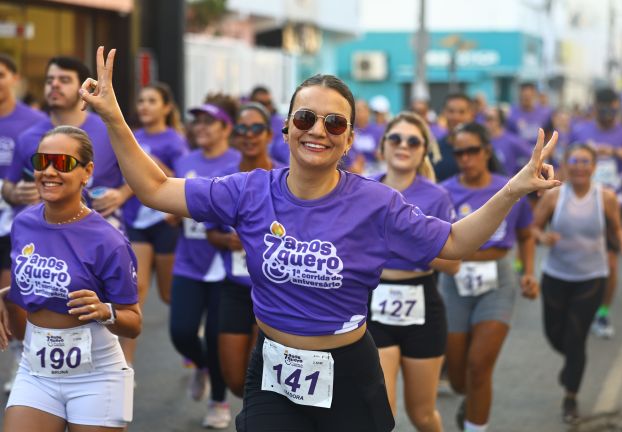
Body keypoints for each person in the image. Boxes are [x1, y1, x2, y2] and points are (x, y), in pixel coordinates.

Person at [79, 47, 560, 432]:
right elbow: (157, 189)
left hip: (348, 371)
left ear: (349, 140)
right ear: (286, 128)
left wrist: (513, 189)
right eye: (306, 119)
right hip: (273, 368)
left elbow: (454, 243)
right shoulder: (249, 190)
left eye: (335, 123)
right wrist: (114, 118)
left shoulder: (376, 203)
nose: (318, 131)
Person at [0, 125, 141, 431]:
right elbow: (44, 285)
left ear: (86, 172)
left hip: (97, 376)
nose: (49, 171)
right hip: (36, 371)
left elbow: (133, 322)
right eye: (41, 162)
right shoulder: (23, 224)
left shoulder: (109, 241)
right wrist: (5, 294)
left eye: (62, 163)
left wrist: (106, 311)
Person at [439, 123, 538, 432]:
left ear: (486, 152)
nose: (466, 158)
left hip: (498, 281)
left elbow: (526, 234)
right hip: (454, 282)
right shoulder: (443, 191)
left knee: (479, 367)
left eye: (472, 151)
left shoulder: (509, 187)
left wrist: (529, 272)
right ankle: (471, 404)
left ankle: (474, 425)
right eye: (459, 152)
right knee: (457, 378)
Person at [367, 111, 458, 432]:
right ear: (382, 146)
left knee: (422, 415)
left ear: (423, 151)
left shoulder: (436, 196)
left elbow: (453, 263)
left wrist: (404, 243)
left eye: (412, 141)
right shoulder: (364, 189)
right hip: (373, 306)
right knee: (383, 413)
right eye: (395, 138)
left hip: (422, 305)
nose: (402, 145)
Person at [532, 143, 622, 423]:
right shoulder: (554, 196)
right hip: (556, 275)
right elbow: (534, 226)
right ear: (566, 164)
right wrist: (543, 238)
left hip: (591, 277)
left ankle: (570, 397)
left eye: (585, 161)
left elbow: (615, 227)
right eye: (574, 161)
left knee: (576, 337)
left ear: (594, 167)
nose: (579, 166)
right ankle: (572, 365)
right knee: (555, 335)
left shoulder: (606, 197)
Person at [169, 98, 240, 429]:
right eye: (195, 121)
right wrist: (172, 214)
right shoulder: (185, 162)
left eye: (208, 122)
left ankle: (218, 401)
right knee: (181, 332)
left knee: (216, 337)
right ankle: (202, 365)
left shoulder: (239, 162)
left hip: (225, 265)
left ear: (226, 128)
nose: (200, 127)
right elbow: (175, 206)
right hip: (189, 260)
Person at [206, 102, 283, 398]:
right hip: (235, 288)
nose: (249, 135)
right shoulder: (224, 178)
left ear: (268, 134)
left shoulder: (285, 176)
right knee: (236, 380)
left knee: (264, 381)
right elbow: (211, 232)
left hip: (275, 289)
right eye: (242, 129)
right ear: (235, 135)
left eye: (256, 129)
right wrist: (228, 241)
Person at [2, 56, 131, 231]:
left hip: (99, 236)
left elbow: (144, 175)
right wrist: (16, 193)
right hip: (44, 240)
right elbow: (9, 185)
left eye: (64, 80)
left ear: (84, 88)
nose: (54, 85)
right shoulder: (28, 136)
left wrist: (122, 194)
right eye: (50, 80)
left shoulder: (110, 130)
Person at [569, 88, 622, 338]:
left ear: (617, 107)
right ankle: (578, 306)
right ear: (595, 106)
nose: (607, 113)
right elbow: (565, 160)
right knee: (578, 260)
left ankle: (602, 313)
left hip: (612, 207)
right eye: (603, 107)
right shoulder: (581, 131)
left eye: (612, 108)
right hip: (580, 204)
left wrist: (612, 152)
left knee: (611, 264)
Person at [120, 83, 188, 367]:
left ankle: (190, 334)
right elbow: (125, 177)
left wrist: (155, 166)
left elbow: (183, 180)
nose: (144, 106)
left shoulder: (175, 141)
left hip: (164, 221)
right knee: (136, 291)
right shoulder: (133, 137)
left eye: (152, 101)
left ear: (166, 108)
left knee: (168, 293)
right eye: (141, 100)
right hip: (136, 220)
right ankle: (126, 365)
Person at [0, 53, 48, 394]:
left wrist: (19, 191)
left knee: (11, 294)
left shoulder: (34, 122)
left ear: (14, 78)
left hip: (12, 223)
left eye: (1, 74)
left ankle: (19, 353)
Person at [433, 93, 476, 182]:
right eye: (451, 111)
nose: (456, 117)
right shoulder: (434, 149)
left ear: (471, 115)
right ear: (444, 113)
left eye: (462, 112)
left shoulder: (481, 148)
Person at [484, 106, 532, 177]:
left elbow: (532, 156)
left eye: (490, 119)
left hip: (507, 185)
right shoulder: (483, 141)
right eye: (485, 119)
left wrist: (519, 177)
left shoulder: (512, 140)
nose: (486, 123)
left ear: (499, 121)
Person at [250, 86, 289, 165]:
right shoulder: (245, 123)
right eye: (262, 103)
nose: (266, 107)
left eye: (269, 103)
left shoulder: (280, 123)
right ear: (252, 103)